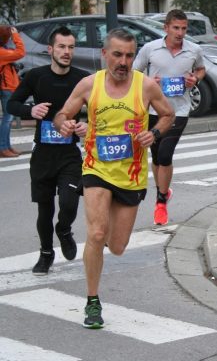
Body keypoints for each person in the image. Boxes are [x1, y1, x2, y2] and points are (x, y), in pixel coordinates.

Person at [53, 28, 174, 329]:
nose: (123, 61)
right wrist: (66, 125)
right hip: (96, 169)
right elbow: (61, 115)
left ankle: (104, 231)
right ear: (105, 54)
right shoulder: (88, 85)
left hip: (131, 176)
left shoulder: (144, 86)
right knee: (96, 234)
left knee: (117, 246)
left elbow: (168, 114)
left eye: (129, 55)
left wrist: (154, 132)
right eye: (117, 54)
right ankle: (92, 300)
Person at [7, 27, 90, 275]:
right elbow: (12, 103)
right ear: (51, 49)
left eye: (71, 47)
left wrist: (88, 125)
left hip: (69, 153)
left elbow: (98, 108)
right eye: (62, 47)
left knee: (69, 202)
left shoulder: (83, 79)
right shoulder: (36, 77)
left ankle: (63, 230)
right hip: (42, 153)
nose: (67, 52)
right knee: (45, 208)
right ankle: (46, 254)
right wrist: (30, 111)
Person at [133, 9, 206, 226]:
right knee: (156, 157)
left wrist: (195, 79)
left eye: (184, 28)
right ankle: (164, 190)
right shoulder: (150, 49)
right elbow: (134, 73)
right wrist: (148, 81)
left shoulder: (194, 49)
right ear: (166, 28)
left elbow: (201, 70)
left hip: (179, 110)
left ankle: (161, 202)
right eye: (176, 28)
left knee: (165, 155)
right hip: (153, 111)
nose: (180, 33)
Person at [0, 25, 25, 158]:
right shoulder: (1, 52)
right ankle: (3, 148)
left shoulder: (3, 50)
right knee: (7, 119)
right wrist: (16, 36)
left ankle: (7, 146)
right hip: (6, 88)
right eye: (8, 36)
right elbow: (20, 52)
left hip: (7, 87)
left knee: (8, 118)